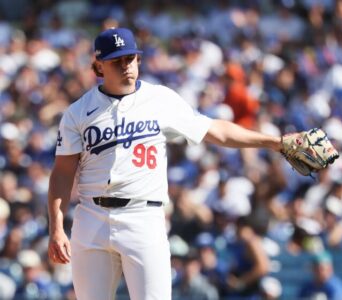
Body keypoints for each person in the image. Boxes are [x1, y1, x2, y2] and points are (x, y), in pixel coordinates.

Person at [47, 27, 283, 300]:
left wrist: (274, 141)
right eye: (117, 61)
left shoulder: (160, 100)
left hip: (143, 217)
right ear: (98, 65)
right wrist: (56, 227)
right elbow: (62, 173)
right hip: (91, 218)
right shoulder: (78, 112)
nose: (126, 66)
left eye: (130, 59)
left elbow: (215, 131)